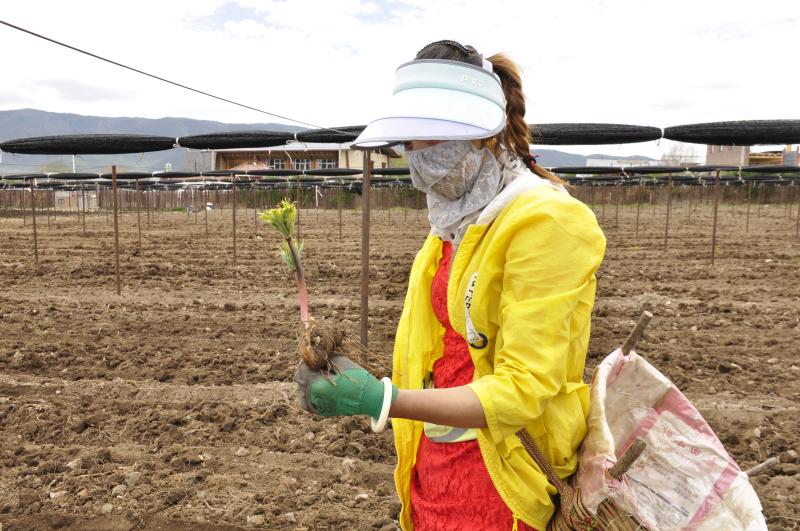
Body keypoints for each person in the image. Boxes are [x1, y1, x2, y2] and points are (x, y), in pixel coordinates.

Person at [294, 40, 606, 531]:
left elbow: (524, 389)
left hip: (504, 476)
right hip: (433, 462)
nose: (414, 155)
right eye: (409, 141)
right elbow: (435, 348)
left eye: (429, 137)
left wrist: (383, 400)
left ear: (484, 135)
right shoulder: (452, 223)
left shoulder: (548, 222)